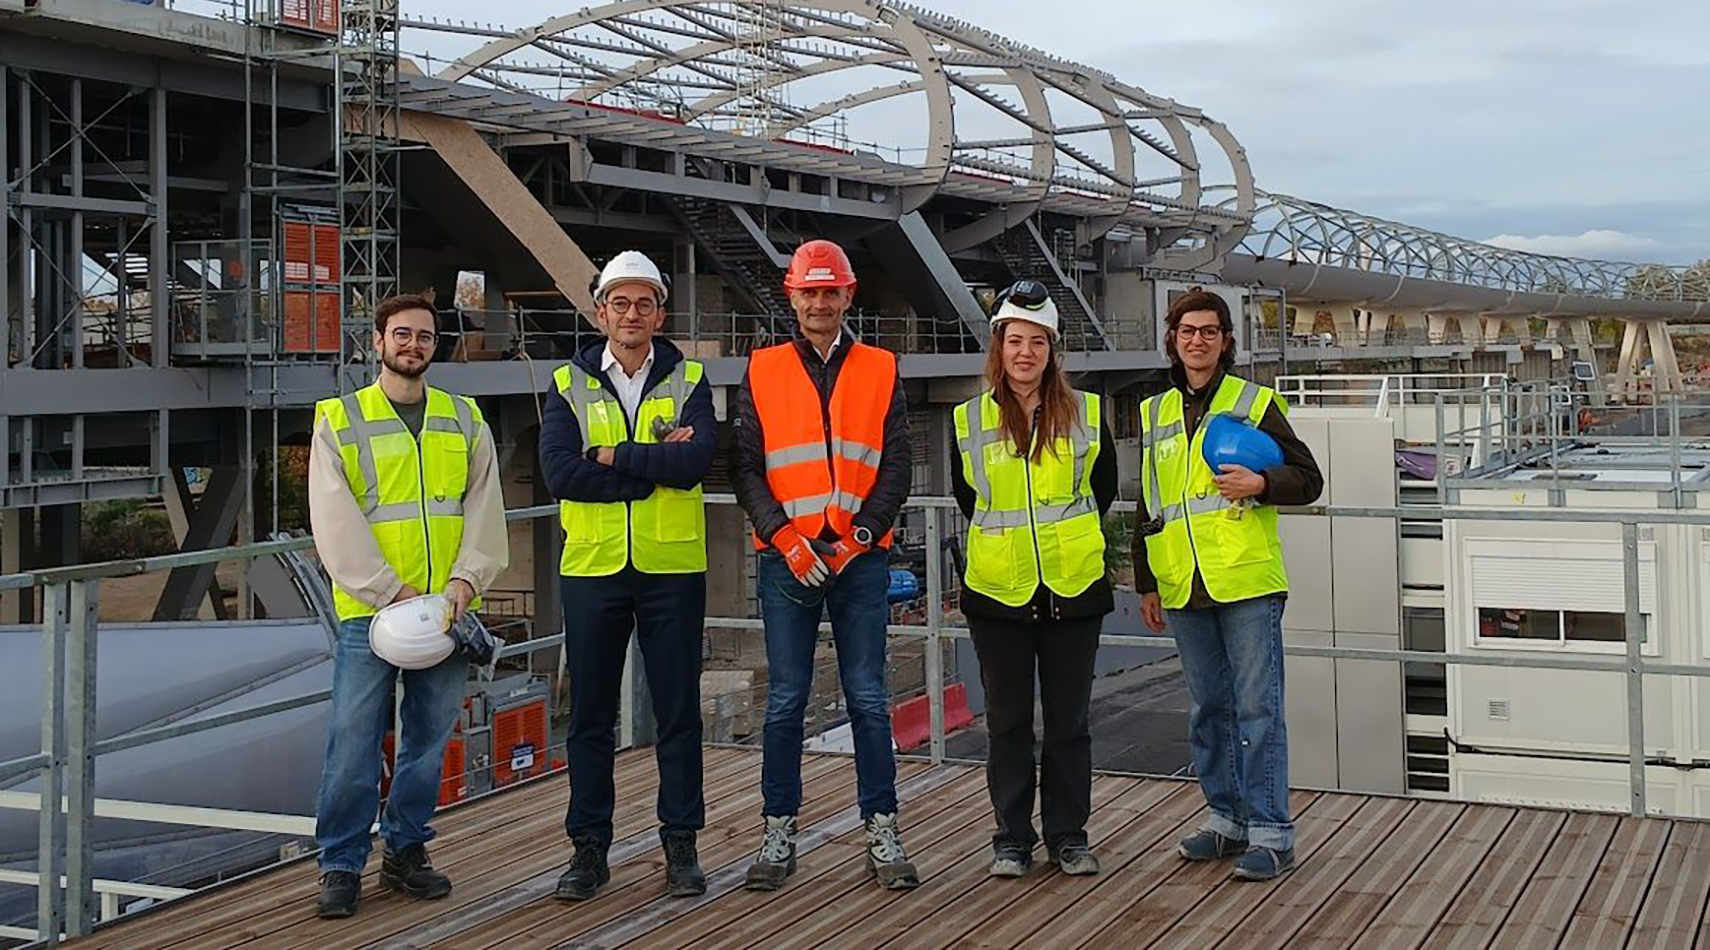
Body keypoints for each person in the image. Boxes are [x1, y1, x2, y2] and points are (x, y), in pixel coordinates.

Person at [308, 293, 509, 918]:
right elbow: (333, 519)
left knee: (427, 741)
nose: (413, 345)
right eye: (402, 335)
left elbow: (483, 507)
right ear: (378, 342)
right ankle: (340, 864)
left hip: (445, 613)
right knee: (352, 741)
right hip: (370, 613)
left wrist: (464, 585)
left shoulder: (464, 418)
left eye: (424, 336)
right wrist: (389, 591)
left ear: (434, 346)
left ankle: (406, 850)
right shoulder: (340, 420)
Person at [732, 239, 919, 891]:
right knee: (784, 702)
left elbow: (898, 462)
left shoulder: (880, 367)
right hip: (788, 561)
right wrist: (784, 538)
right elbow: (747, 468)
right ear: (793, 295)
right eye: (808, 291)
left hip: (858, 559)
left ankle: (883, 830)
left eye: (829, 290)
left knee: (868, 698)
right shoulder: (760, 370)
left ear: (848, 295)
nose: (819, 301)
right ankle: (777, 832)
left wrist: (860, 535)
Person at [539, 251, 717, 901]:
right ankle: (588, 849)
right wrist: (649, 471)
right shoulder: (566, 383)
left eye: (644, 302)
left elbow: (696, 461)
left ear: (660, 312)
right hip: (593, 569)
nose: (632, 313)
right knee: (589, 717)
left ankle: (681, 844)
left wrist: (612, 455)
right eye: (620, 302)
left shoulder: (689, 376)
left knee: (677, 713)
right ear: (600, 312)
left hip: (672, 568)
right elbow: (561, 472)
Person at [1132, 289, 1323, 881]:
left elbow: (1309, 479)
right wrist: (1147, 582)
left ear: (1225, 340)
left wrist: (1262, 483)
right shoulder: (1154, 411)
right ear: (1173, 338)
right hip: (1182, 581)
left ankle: (1271, 832)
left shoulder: (1254, 402)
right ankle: (1226, 820)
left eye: (1209, 332)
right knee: (1208, 710)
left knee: (1258, 710)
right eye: (1188, 331)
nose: (1197, 341)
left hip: (1244, 581)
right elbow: (1150, 501)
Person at [951, 282, 1118, 879]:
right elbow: (969, 499)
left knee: (1069, 724)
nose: (1025, 352)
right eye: (1015, 341)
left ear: (1053, 349)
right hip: (1000, 594)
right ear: (999, 347)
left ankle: (1069, 837)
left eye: (1037, 342)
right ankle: (1011, 839)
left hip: (1072, 590)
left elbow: (1104, 492)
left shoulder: (1089, 412)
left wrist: (1058, 547)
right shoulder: (966, 418)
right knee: (1009, 725)